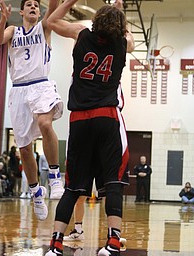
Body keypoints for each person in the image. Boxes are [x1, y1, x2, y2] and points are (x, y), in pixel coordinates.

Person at [45, 0, 135, 255]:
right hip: (107, 117)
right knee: (113, 182)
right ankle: (113, 242)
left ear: (95, 22)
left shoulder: (81, 34)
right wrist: (120, 12)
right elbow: (132, 40)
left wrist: (70, 2)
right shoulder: (122, 44)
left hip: (79, 119)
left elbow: (50, 21)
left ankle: (55, 244)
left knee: (74, 186)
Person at [0, 0, 65, 220]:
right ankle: (35, 192)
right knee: (24, 148)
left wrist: (51, 4)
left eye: (36, 4)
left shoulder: (43, 27)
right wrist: (3, 18)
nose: (33, 7)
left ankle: (54, 176)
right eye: (29, 5)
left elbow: (53, 8)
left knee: (45, 123)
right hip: (18, 89)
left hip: (41, 84)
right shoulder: (13, 30)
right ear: (22, 11)